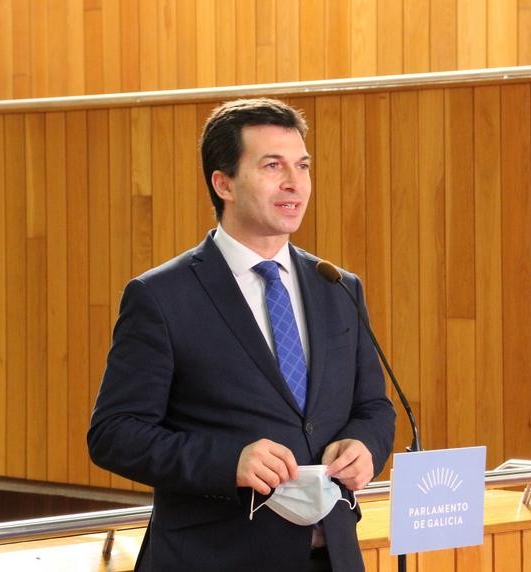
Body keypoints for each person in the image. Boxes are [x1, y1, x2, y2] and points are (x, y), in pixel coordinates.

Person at [87, 98, 395, 572]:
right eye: (273, 166)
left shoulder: (338, 286)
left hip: (331, 556)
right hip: (213, 557)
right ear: (223, 182)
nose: (294, 183)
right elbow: (114, 434)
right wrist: (228, 461)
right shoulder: (162, 296)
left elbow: (373, 407)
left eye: (302, 166)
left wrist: (365, 446)